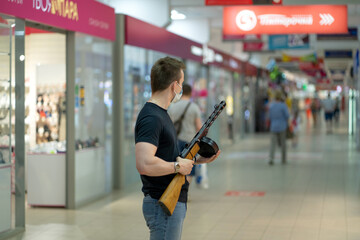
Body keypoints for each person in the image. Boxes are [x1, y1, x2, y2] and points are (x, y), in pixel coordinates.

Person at [134, 56, 220, 240]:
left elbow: (168, 156)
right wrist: (177, 167)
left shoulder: (162, 114)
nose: (181, 87)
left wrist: (196, 160)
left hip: (168, 202)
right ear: (174, 86)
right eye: (181, 83)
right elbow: (144, 163)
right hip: (161, 202)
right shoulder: (152, 118)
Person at [168, 84, 202, 187]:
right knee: (189, 168)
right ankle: (184, 191)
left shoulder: (172, 107)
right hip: (190, 142)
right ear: (191, 93)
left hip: (176, 141)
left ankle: (177, 190)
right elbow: (199, 127)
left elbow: (168, 125)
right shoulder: (194, 107)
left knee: (178, 166)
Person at [268, 91, 290, 165]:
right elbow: (287, 116)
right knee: (283, 143)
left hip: (273, 127)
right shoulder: (283, 106)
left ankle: (271, 158)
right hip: (282, 126)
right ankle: (283, 159)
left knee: (272, 144)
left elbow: (270, 117)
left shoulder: (271, 106)